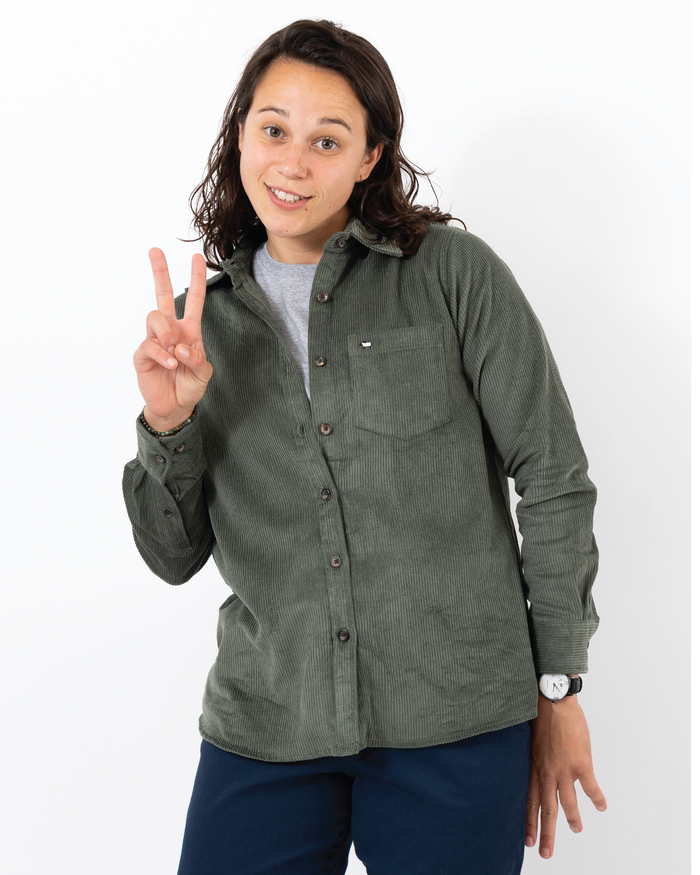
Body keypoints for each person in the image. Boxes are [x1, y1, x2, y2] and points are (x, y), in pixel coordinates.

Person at [123, 19, 606, 875]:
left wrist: (558, 686)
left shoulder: (452, 274)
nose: (293, 163)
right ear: (240, 135)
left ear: (370, 156)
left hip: (455, 720)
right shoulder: (202, 325)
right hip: (270, 718)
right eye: (274, 129)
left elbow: (554, 475)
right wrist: (169, 424)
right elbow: (171, 558)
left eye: (327, 140)